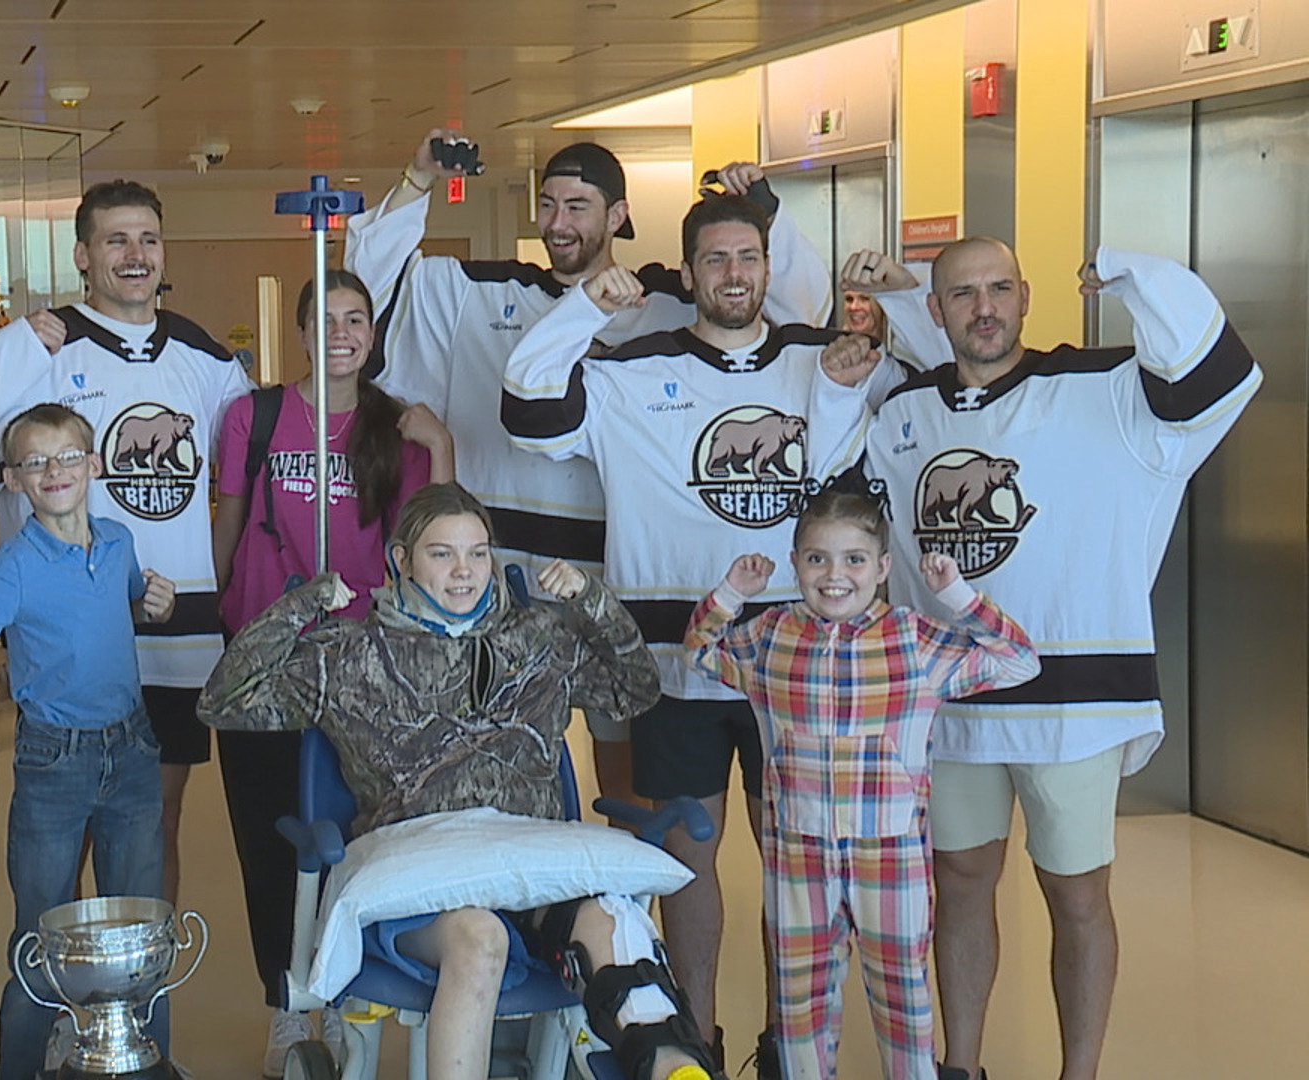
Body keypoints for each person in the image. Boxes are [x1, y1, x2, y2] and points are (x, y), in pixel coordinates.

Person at [345, 131, 831, 859]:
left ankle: (615, 915)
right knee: (501, 758)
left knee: (624, 773)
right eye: (548, 204)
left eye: (579, 205)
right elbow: (367, 288)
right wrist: (416, 183)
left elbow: (794, 312)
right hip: (499, 576)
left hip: (614, 575)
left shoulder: (669, 301)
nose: (559, 222)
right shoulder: (477, 290)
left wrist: (768, 210)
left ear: (619, 215)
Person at [850, 239, 1261, 1080]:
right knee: (959, 886)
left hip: (1075, 704)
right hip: (955, 705)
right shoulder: (900, 415)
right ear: (937, 312)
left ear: (1027, 296)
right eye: (962, 295)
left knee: (1076, 896)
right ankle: (958, 1066)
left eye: (1000, 288)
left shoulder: (1107, 390)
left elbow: (1220, 373)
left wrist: (1133, 270)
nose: (984, 308)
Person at [501, 190, 884, 1074]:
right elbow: (526, 405)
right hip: (674, 667)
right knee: (686, 862)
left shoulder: (821, 364)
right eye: (715, 260)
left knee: (795, 863)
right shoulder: (633, 371)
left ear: (767, 264)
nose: (734, 274)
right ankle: (695, 1037)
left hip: (796, 665)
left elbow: (848, 478)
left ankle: (793, 1040)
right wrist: (584, 306)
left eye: (748, 257)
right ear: (692, 272)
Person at [202, 483, 722, 1080]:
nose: (464, 572)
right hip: (424, 882)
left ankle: (675, 1069)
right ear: (402, 559)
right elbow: (225, 701)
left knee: (619, 930)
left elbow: (636, 690)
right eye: (442, 553)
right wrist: (303, 605)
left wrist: (591, 601)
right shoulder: (349, 653)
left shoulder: (536, 641)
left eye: (478, 553)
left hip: (533, 869)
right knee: (480, 940)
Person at [0, 179, 254, 907]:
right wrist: (14, 347)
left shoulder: (205, 357)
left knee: (155, 821)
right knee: (70, 829)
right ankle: (68, 995)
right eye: (116, 240)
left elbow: (247, 472)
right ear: (83, 254)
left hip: (176, 628)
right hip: (72, 637)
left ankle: (139, 990)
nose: (135, 254)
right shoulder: (45, 345)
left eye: (147, 238)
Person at [683, 493, 1040, 1080]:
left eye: (854, 560)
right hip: (798, 859)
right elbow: (699, 652)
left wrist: (958, 596)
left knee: (903, 1004)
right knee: (799, 1009)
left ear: (882, 567)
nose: (835, 575)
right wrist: (732, 593)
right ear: (795, 563)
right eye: (818, 559)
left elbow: (1020, 660)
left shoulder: (917, 641)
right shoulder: (770, 637)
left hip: (891, 859)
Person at [208, 268, 454, 1074]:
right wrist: (237, 624)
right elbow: (231, 527)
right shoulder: (257, 415)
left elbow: (437, 540)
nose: (342, 333)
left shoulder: (400, 429)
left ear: (373, 334)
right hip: (274, 659)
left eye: (358, 319)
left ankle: (345, 992)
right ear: (303, 331)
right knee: (269, 838)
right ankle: (286, 1004)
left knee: (361, 836)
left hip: (366, 666)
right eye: (327, 319)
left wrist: (442, 447)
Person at [0, 403, 176, 1080]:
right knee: (39, 936)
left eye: (67, 456)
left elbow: (122, 604)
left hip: (129, 750)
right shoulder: (13, 565)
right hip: (53, 760)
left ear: (94, 465)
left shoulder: (120, 541)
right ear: (14, 480)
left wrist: (157, 602)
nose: (53, 471)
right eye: (34, 462)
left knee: (142, 937)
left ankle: (147, 1065)